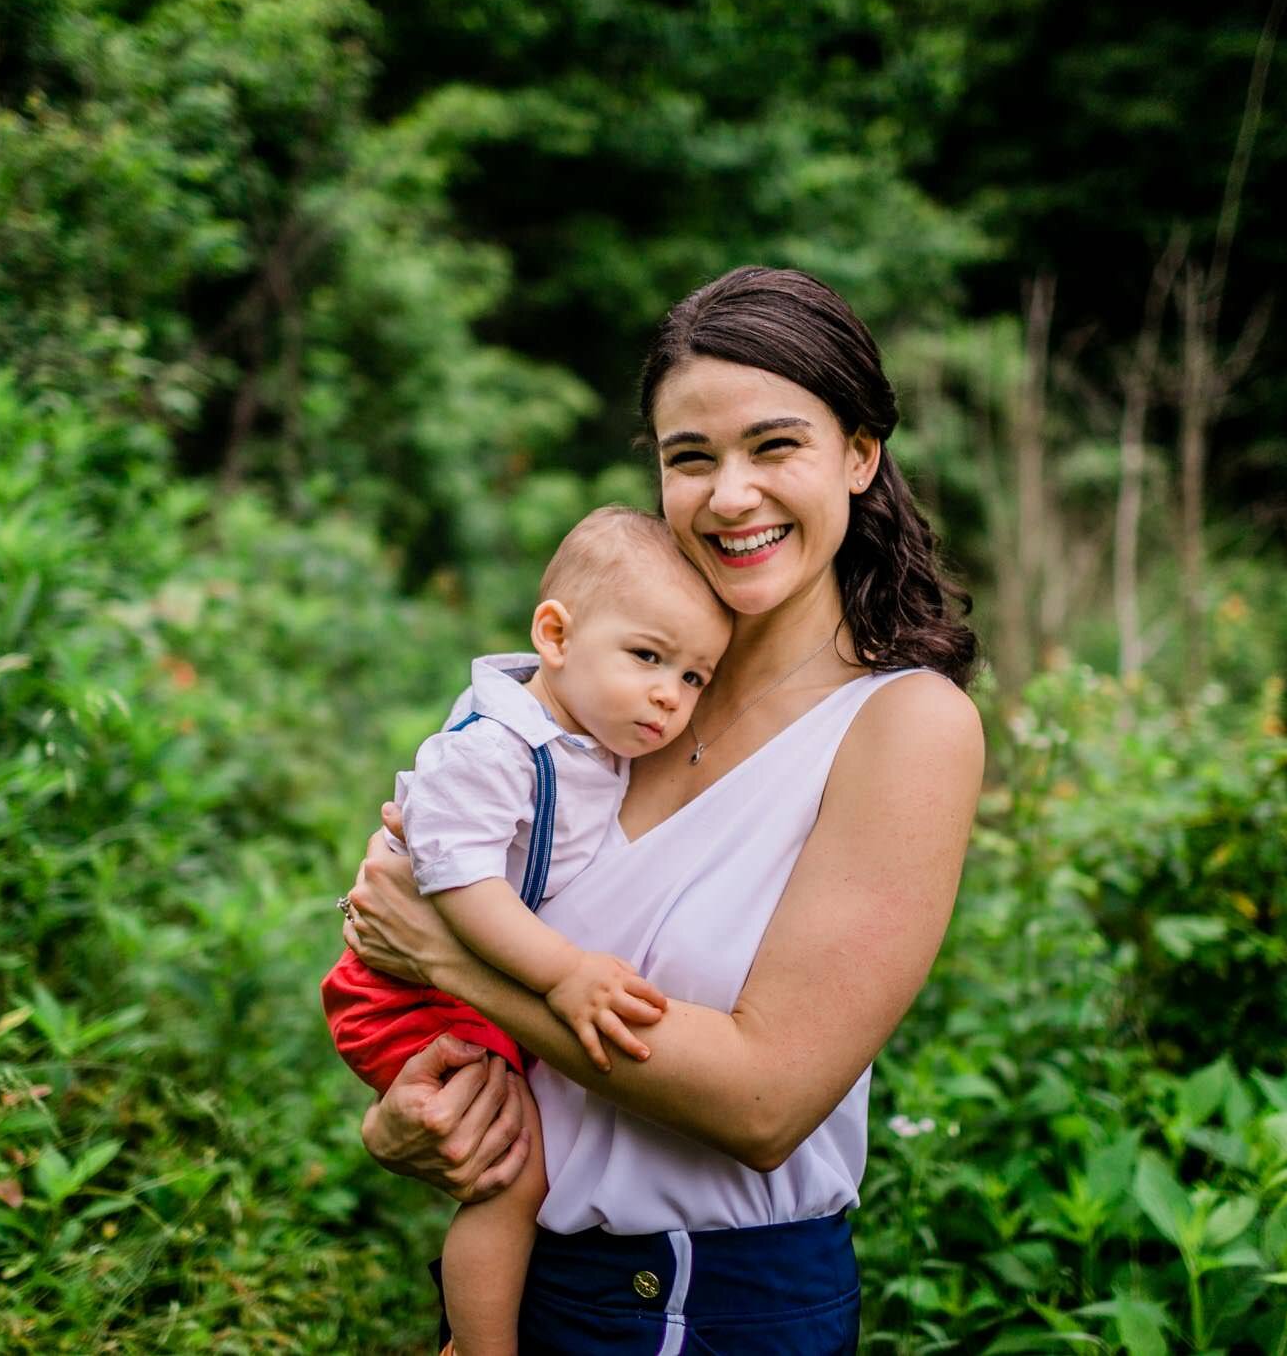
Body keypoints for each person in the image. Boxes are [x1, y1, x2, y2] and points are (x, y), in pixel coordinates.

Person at [341, 266, 984, 1354]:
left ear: (859, 456)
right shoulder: (614, 699)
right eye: (691, 458)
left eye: (773, 446)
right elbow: (427, 936)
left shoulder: (901, 727)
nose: (729, 494)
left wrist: (451, 963)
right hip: (525, 1283)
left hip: (712, 1305)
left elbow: (763, 1104)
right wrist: (410, 1118)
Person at [322, 506, 732, 1355]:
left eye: (695, 677)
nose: (670, 693)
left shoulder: (597, 735)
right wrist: (563, 972)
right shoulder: (493, 747)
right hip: (404, 988)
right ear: (554, 634)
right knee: (514, 1175)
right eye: (648, 657)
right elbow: (458, 884)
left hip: (462, 983)